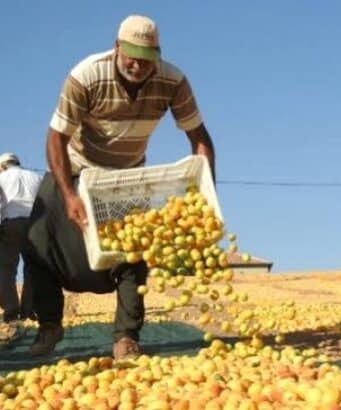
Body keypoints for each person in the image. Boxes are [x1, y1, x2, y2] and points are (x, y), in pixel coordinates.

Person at [24, 15, 216, 359]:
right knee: (37, 240)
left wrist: (205, 197)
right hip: (76, 167)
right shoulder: (87, 76)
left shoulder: (172, 81)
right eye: (131, 55)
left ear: (157, 55)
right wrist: (68, 195)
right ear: (117, 48)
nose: (138, 64)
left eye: (146, 57)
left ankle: (126, 336)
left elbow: (200, 139)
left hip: (124, 177)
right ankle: (49, 327)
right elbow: (56, 137)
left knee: (132, 253)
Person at [0, 153, 41, 328]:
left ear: (2, 166)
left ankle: (11, 312)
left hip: (11, 224)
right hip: (36, 224)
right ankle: (28, 310)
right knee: (32, 268)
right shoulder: (36, 177)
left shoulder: (2, 178)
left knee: (6, 268)